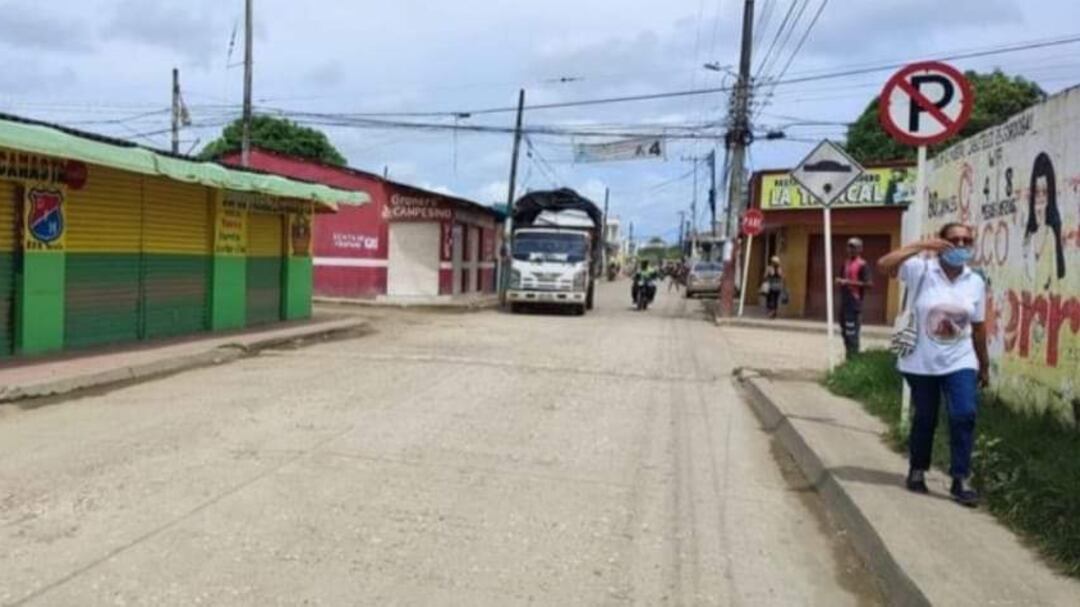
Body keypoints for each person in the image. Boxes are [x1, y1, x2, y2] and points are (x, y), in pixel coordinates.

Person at [877, 222, 989, 508]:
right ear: (941, 243)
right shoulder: (921, 269)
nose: (960, 246)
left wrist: (983, 365)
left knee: (964, 414)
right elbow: (883, 265)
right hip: (921, 361)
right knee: (925, 416)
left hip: (960, 359)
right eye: (954, 240)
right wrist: (921, 246)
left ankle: (960, 478)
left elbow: (978, 327)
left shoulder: (974, 281)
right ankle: (917, 469)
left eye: (966, 240)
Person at [836, 238, 872, 360]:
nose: (850, 250)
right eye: (849, 247)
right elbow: (841, 279)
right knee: (845, 333)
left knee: (852, 334)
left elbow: (869, 284)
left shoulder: (863, 265)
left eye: (853, 247)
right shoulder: (845, 264)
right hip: (844, 304)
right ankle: (848, 358)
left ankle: (854, 360)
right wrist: (840, 282)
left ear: (860, 249)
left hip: (854, 305)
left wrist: (848, 282)